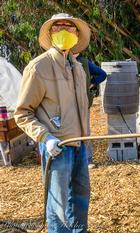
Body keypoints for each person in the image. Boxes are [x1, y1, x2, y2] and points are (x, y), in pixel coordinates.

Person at [14, 13, 91, 232]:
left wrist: (86, 140)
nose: (65, 31)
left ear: (77, 35)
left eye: (70, 27)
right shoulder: (38, 68)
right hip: (57, 148)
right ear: (50, 33)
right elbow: (22, 113)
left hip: (80, 144)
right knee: (58, 204)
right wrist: (46, 138)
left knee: (80, 197)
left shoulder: (77, 68)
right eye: (58, 27)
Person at [74, 53, 107, 169]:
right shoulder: (60, 62)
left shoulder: (83, 62)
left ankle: (88, 159)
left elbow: (102, 74)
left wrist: (90, 84)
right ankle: (73, 160)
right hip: (66, 104)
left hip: (83, 103)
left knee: (85, 131)